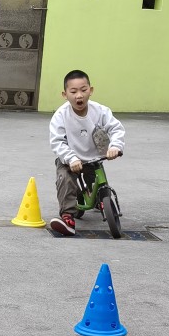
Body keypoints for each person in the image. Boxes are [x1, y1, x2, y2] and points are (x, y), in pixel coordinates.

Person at [48, 69, 125, 236]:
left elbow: (116, 128)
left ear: (91, 90)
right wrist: (70, 158)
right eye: (73, 91)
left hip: (94, 157)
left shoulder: (101, 111)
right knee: (65, 178)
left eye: (83, 90)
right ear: (65, 94)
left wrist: (115, 146)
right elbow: (57, 141)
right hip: (70, 159)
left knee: (96, 180)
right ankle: (67, 217)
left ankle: (100, 199)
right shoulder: (61, 115)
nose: (79, 95)